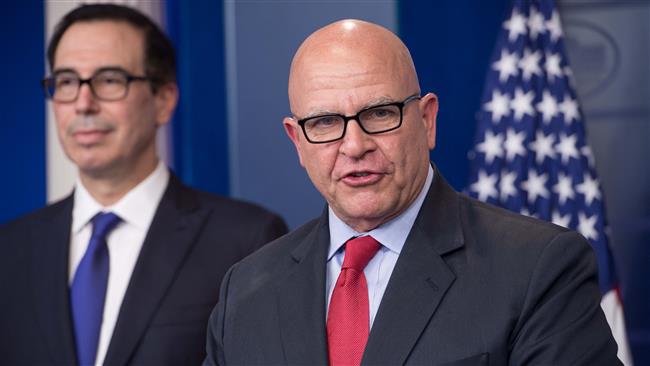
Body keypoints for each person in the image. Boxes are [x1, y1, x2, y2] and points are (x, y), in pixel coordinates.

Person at [203, 19, 621, 365]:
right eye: (326, 122)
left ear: (427, 120)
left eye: (380, 113)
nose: (354, 145)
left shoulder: (538, 267)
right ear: (297, 141)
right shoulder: (246, 292)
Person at [0, 4, 287, 366]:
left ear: (163, 100)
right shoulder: (9, 251)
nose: (84, 104)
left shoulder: (248, 240)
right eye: (68, 82)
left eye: (109, 80)